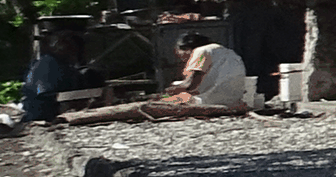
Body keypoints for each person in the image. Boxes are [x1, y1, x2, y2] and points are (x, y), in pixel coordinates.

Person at [67, 29, 257, 123]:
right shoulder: (228, 52)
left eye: (182, 55)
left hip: (211, 100)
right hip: (232, 99)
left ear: (187, 48)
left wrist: (168, 92)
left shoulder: (201, 52)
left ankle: (83, 116)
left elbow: (191, 85)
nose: (183, 60)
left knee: (163, 100)